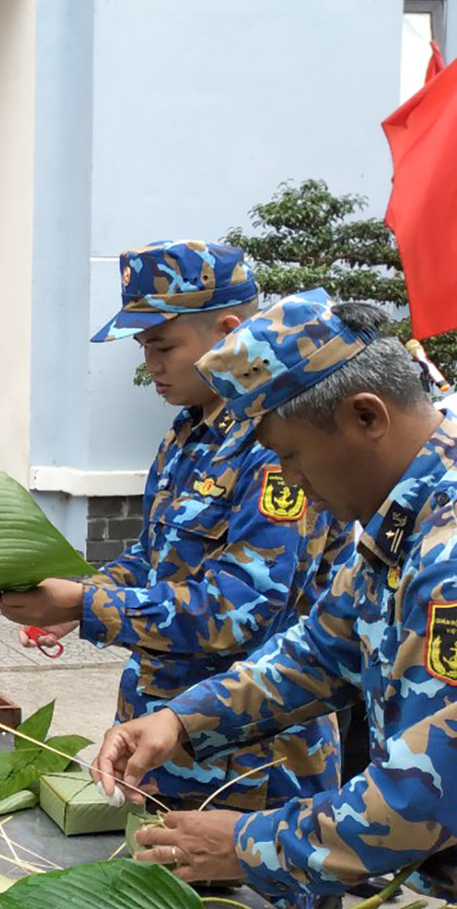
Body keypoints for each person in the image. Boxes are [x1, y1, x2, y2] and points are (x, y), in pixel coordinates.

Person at [96, 290, 457, 901]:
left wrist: (243, 844)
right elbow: (320, 650)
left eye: (289, 455)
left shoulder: (446, 554)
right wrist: (181, 719)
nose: (288, 481)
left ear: (366, 417)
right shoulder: (403, 518)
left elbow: (425, 792)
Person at [0, 240, 349, 811]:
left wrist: (90, 608)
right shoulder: (188, 433)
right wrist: (82, 597)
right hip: (158, 733)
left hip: (248, 761)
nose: (150, 365)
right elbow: (152, 557)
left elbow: (241, 612)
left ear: (228, 331)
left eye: (163, 345)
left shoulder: (274, 445)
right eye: (143, 348)